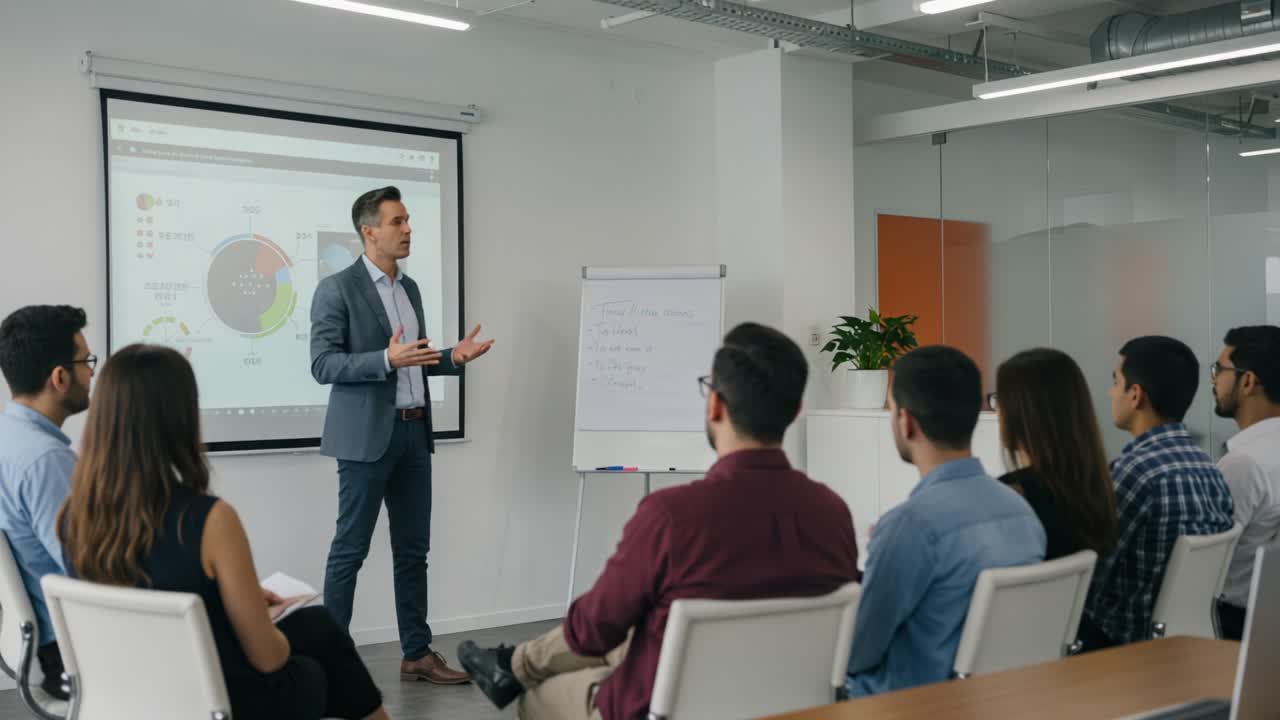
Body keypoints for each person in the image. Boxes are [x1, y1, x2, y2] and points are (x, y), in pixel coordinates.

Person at [456, 322, 858, 720]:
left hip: (658, 708)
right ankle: (515, 664)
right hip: (790, 706)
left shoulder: (672, 515)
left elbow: (592, 629)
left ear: (715, 405)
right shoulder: (833, 512)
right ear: (796, 411)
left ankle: (515, 669)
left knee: (538, 696)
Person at [58, 345, 389, 720]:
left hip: (134, 697)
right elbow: (268, 658)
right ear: (179, 419)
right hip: (216, 702)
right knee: (314, 667)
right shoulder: (209, 520)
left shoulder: (73, 517)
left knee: (317, 626)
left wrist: (235, 602)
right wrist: (258, 619)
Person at [310, 186, 493, 684]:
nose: (408, 228)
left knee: (414, 550)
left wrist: (452, 357)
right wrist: (383, 359)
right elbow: (322, 364)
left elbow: (415, 362)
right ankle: (333, 662)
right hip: (366, 440)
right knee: (350, 550)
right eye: (397, 222)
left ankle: (417, 652)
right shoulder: (337, 289)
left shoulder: (408, 290)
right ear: (369, 232)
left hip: (414, 436)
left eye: (408, 220)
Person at [846, 345, 1045, 697]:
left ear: (906, 422)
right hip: (1001, 700)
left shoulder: (911, 526)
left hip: (913, 705)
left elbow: (858, 653)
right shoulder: (1022, 513)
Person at [1079, 336, 1234, 651]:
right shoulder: (1210, 469)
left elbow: (1090, 579)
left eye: (1115, 381)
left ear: (1135, 395)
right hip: (1189, 644)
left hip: (1127, 648)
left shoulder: (1133, 473)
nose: (1110, 393)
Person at [0, 305, 95, 700]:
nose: (91, 373)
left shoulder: (9, 437)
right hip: (80, 657)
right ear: (59, 377)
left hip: (50, 647)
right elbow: (92, 573)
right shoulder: (46, 461)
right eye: (87, 362)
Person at [991, 348, 1117, 561]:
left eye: (998, 401)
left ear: (1022, 412)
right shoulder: (1097, 489)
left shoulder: (1009, 496)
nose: (997, 411)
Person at [1210, 326, 1280, 641]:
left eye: (1219, 370)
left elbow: (1205, 563)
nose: (1214, 380)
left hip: (1234, 627)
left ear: (1248, 381)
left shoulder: (1243, 463)